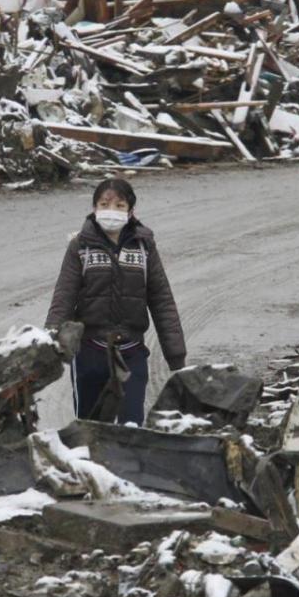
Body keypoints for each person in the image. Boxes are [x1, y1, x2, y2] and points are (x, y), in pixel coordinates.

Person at [45, 178, 187, 425]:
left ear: (131, 211)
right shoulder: (80, 247)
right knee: (89, 427)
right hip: (89, 352)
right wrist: (48, 346)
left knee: (131, 426)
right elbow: (63, 297)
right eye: (104, 204)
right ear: (94, 208)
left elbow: (161, 299)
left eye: (119, 205)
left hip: (131, 351)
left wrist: (176, 354)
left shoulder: (144, 247)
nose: (111, 211)